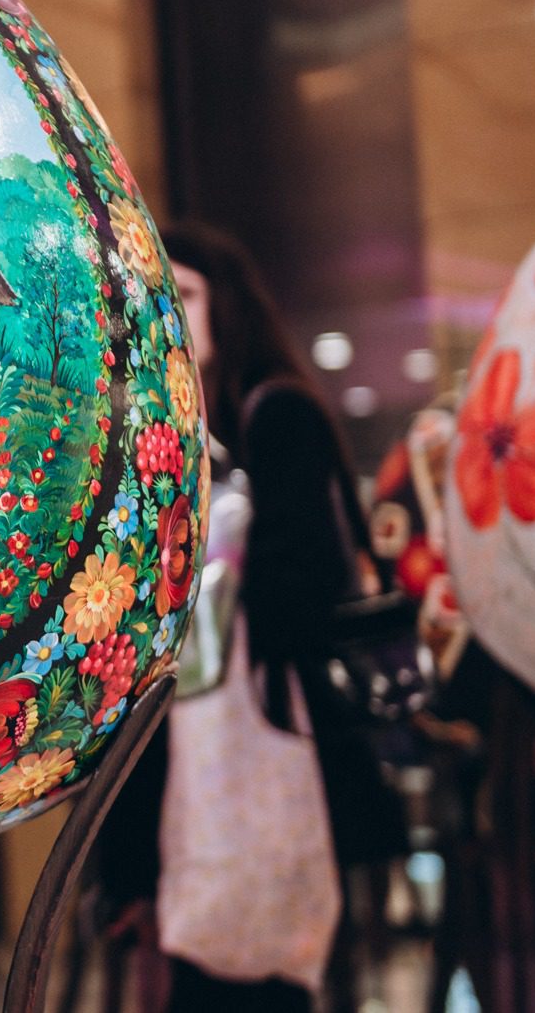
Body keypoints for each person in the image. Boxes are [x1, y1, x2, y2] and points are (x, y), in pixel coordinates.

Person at [99, 224, 404, 1011]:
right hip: (201, 733)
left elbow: (305, 580)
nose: (169, 311)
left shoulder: (276, 411)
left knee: (259, 961)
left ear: (228, 304)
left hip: (273, 723)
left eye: (187, 292)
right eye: (157, 296)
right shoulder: (164, 425)